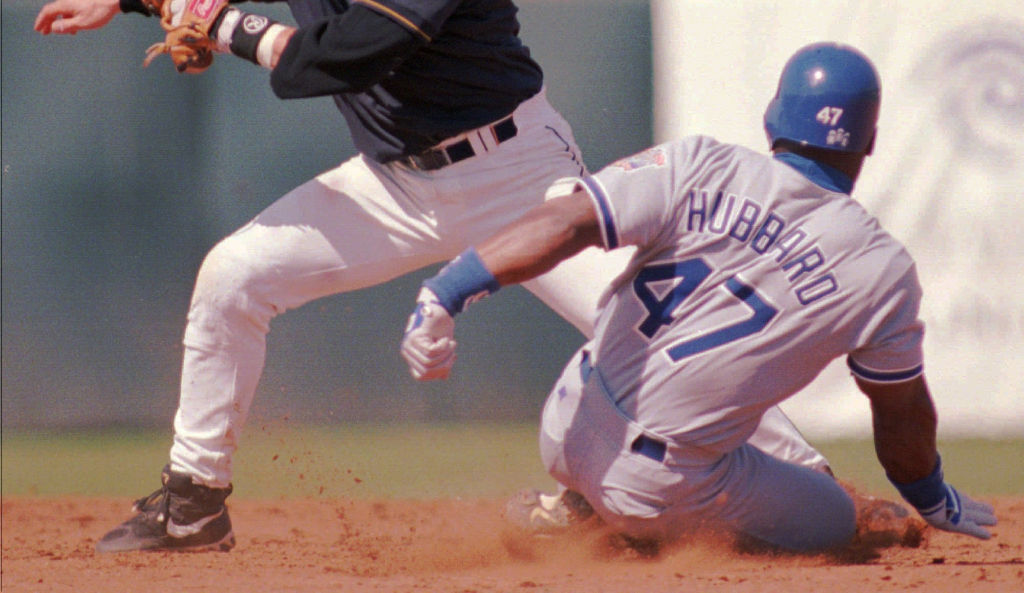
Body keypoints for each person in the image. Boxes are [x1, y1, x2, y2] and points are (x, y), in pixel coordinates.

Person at [34, 0, 825, 553]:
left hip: (518, 175)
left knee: (657, 327)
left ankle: (817, 485)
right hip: (394, 184)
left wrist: (224, 23)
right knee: (233, 276)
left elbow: (337, 59)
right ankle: (193, 503)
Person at [401, 42, 998, 553]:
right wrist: (929, 493)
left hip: (565, 420)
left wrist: (446, 291)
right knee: (845, 517)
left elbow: (564, 223)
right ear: (868, 142)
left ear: (773, 119)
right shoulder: (881, 268)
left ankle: (584, 505)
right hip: (660, 486)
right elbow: (901, 417)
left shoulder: (698, 161)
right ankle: (628, 527)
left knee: (707, 418)